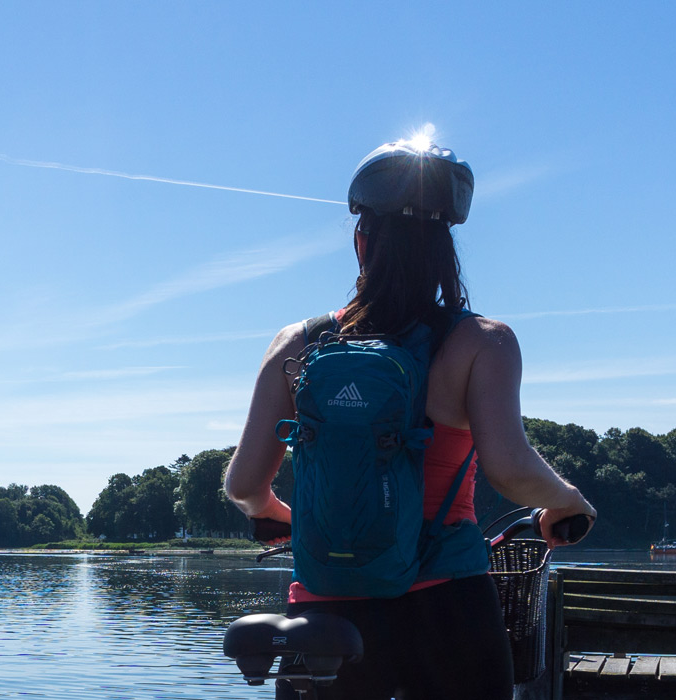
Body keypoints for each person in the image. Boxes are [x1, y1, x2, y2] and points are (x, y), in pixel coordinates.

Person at [223, 137, 597, 700]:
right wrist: (569, 502)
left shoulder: (298, 344)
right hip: (445, 607)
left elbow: (244, 485)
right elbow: (511, 468)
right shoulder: (481, 343)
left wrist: (281, 516)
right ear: (446, 247)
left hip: (331, 616)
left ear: (361, 241)